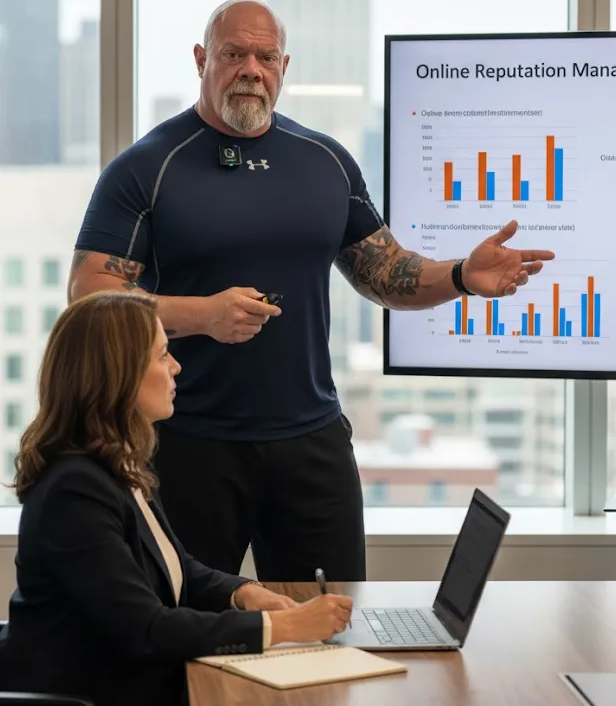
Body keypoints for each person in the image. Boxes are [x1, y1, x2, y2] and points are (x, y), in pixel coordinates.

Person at [67, 0, 554, 582]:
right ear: (202, 59)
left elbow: (385, 272)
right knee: (184, 630)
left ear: (283, 66)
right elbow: (90, 298)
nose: (251, 69)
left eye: (265, 56)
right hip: (185, 443)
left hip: (311, 440)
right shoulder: (147, 166)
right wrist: (202, 315)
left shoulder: (325, 162)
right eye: (234, 54)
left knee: (333, 626)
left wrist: (459, 277)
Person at [0, 292, 353, 706]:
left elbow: (177, 567)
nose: (176, 367)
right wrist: (283, 626)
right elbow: (146, 629)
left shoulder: (115, 464)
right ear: (119, 375)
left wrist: (242, 593)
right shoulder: (74, 490)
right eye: (163, 355)